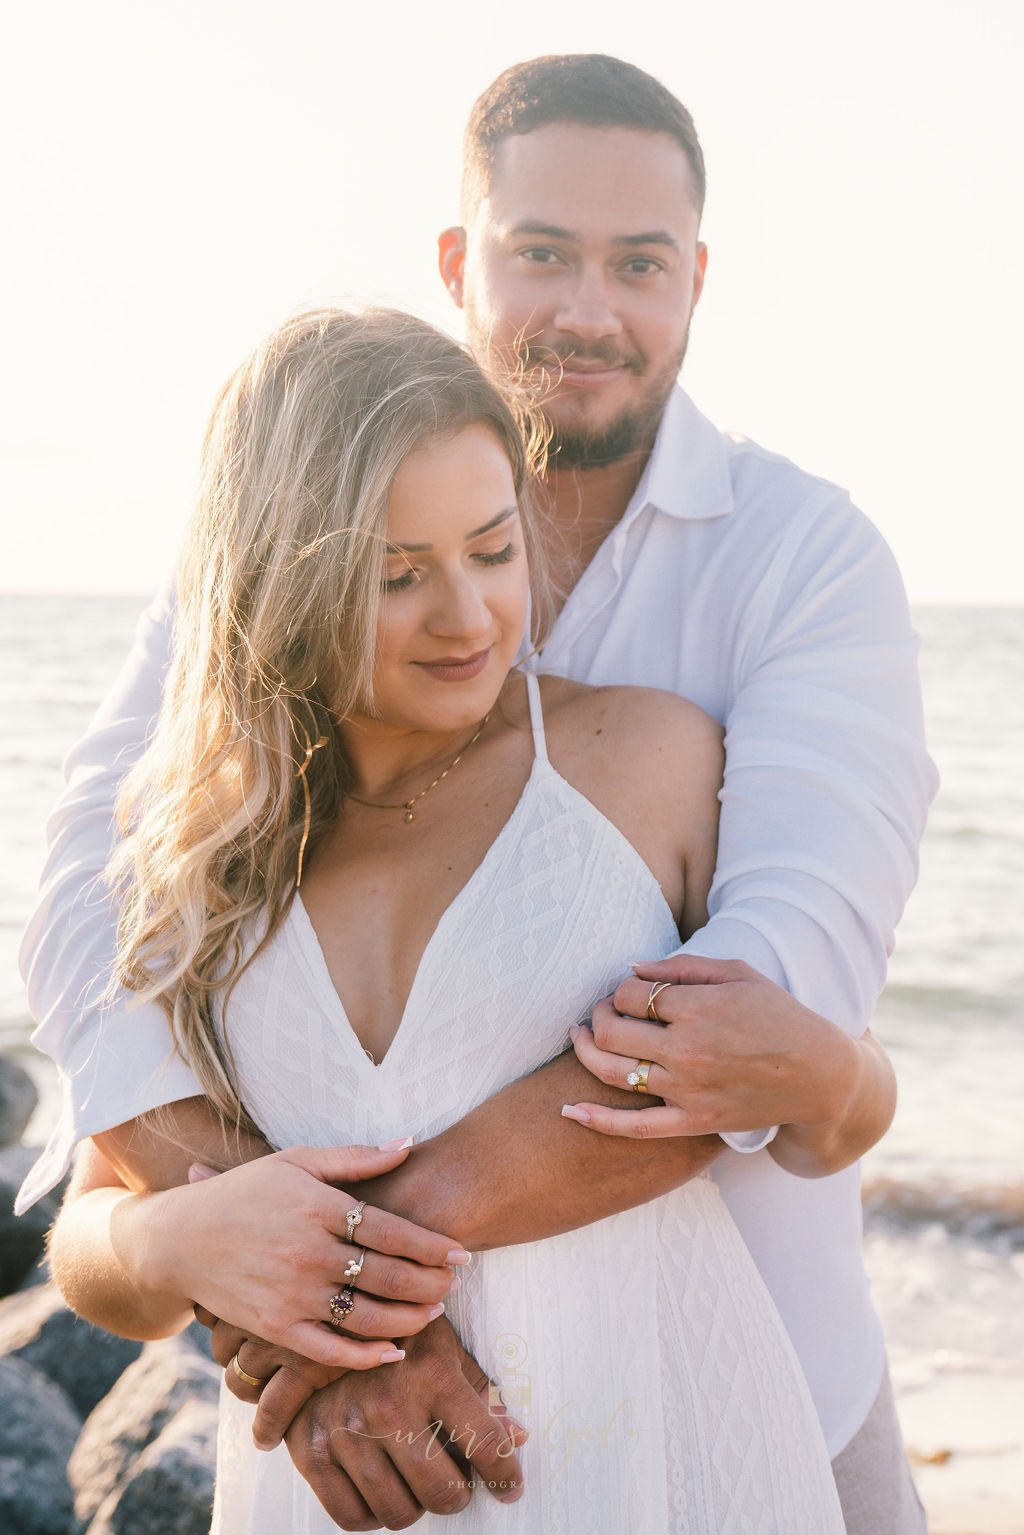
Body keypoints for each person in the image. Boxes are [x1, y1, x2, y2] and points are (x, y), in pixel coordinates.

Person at [18, 54, 936, 1533]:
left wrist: (333, 1290)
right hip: (347, 1462)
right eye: (540, 252)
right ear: (459, 260)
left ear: (697, 278)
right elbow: (90, 902)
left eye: (639, 262)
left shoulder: (800, 563)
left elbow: (758, 1008)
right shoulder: (273, 559)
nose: (589, 309)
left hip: (732, 1378)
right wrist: (239, 1250)